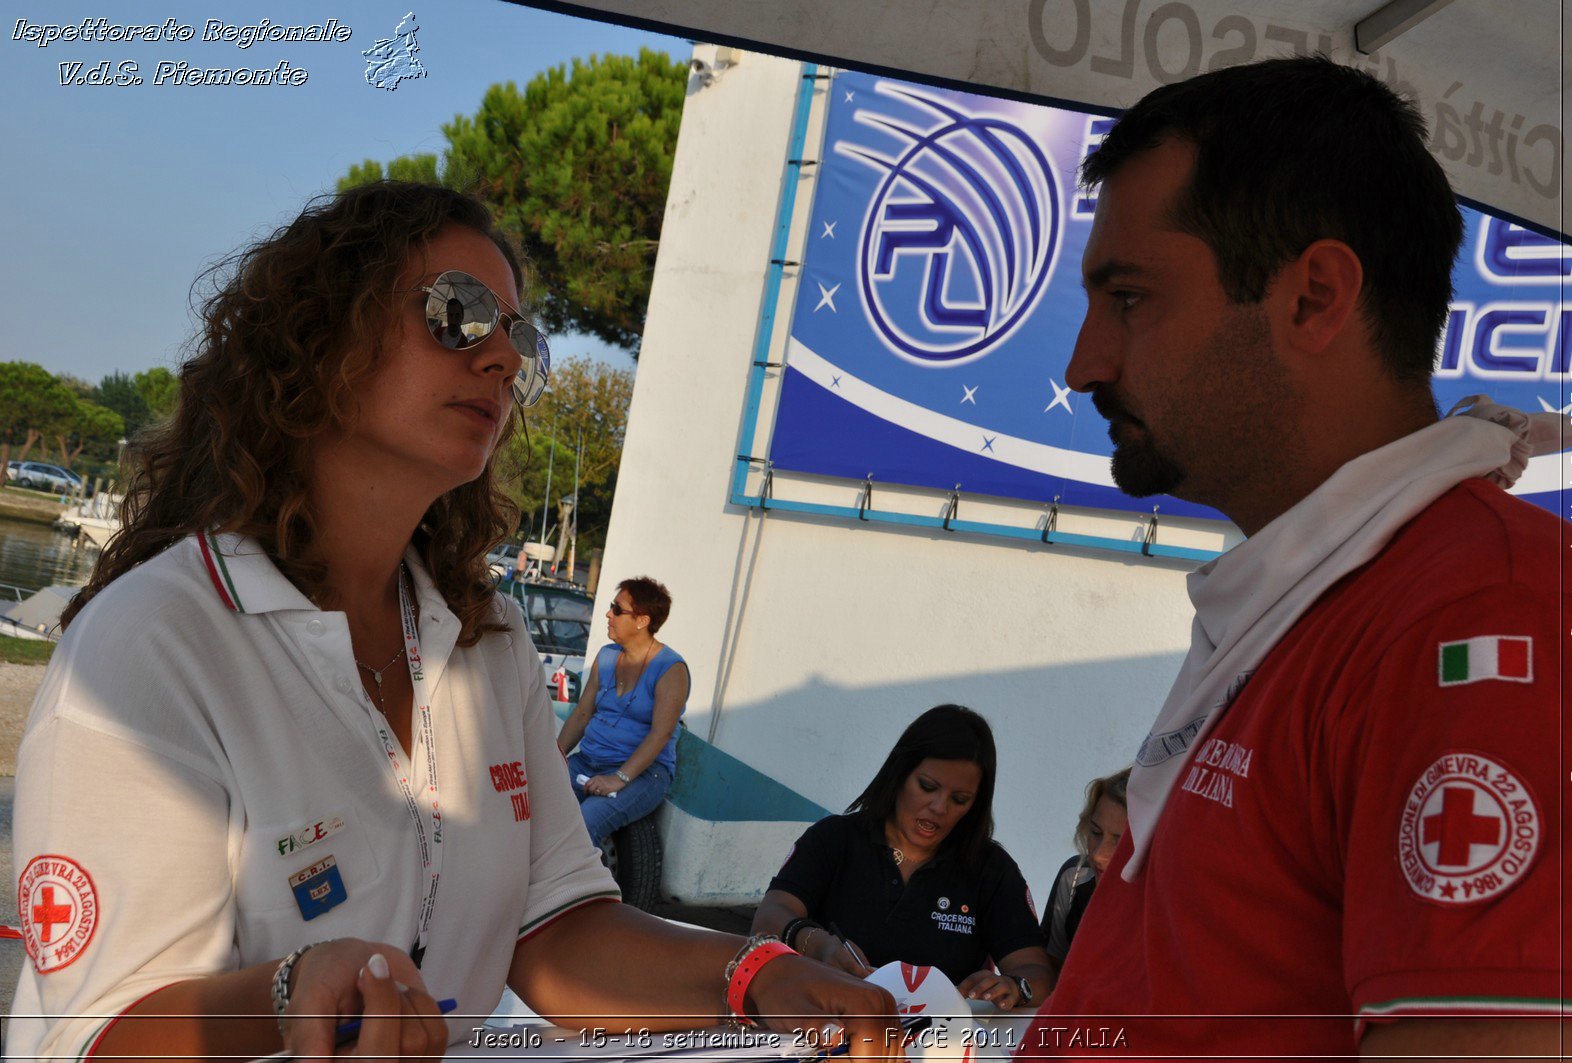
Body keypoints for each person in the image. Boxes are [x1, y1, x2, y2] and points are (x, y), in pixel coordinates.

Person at [8, 181, 902, 1062]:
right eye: (459, 313)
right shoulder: (156, 644)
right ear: (319, 340)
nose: (503, 360)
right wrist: (293, 992)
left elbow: (556, 929)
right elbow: (95, 1035)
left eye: (521, 339)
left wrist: (754, 975)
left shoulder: (490, 640)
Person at [1016, 56, 1572, 1060]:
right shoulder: (1328, 596)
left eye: (1128, 298)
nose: (1082, 364)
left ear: (1313, 297)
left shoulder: (1488, 606)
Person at [752, 705, 1054, 1011]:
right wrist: (815, 942)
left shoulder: (991, 869)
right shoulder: (835, 839)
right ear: (899, 773)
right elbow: (768, 918)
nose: (939, 807)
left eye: (959, 799)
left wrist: (1015, 987)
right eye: (927, 787)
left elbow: (1037, 973)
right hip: (821, 1027)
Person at [557, 576, 688, 847]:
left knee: (583, 826)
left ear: (642, 620)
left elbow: (661, 734)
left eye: (617, 609)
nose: (608, 614)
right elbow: (582, 714)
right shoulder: (606, 656)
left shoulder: (671, 669)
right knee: (532, 804)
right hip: (588, 761)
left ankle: (577, 889)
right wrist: (553, 757)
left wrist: (619, 778)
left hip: (642, 774)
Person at [1037, 767, 1127, 974]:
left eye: (1121, 843)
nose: (1097, 855)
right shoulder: (1074, 877)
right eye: (1095, 832)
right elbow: (1051, 977)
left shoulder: (1171, 903)